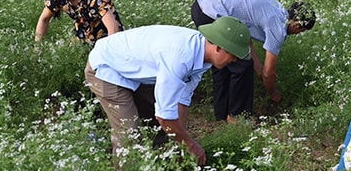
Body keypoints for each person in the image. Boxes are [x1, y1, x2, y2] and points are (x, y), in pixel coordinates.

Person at [84, 16, 251, 166]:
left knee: (161, 126)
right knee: (130, 135)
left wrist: (182, 143)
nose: (234, 61)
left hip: (135, 71)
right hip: (107, 68)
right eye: (233, 55)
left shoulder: (203, 57)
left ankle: (167, 163)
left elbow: (182, 99)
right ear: (218, 48)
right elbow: (164, 116)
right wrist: (191, 145)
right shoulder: (181, 57)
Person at [191, 0, 316, 123]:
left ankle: (221, 116)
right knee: (242, 66)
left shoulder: (277, 10)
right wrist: (274, 94)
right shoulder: (278, 28)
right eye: (301, 30)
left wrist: (259, 70)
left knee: (223, 64)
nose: (298, 34)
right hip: (211, 12)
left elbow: (243, 40)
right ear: (297, 24)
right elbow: (269, 74)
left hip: (203, 5)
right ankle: (237, 118)